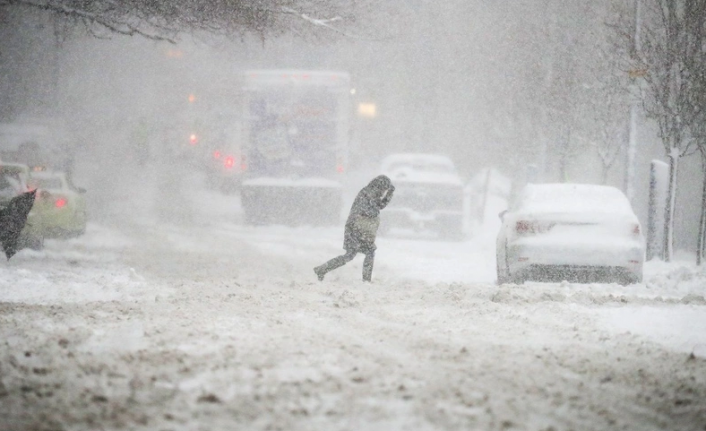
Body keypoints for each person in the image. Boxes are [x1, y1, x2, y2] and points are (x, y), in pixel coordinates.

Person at [314, 175, 395, 282]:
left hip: (361, 230)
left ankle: (323, 269)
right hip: (355, 229)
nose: (384, 192)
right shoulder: (367, 194)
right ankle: (322, 269)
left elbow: (380, 206)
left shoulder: (371, 193)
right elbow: (371, 209)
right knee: (353, 254)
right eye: (384, 189)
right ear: (380, 186)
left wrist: (389, 195)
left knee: (362, 253)